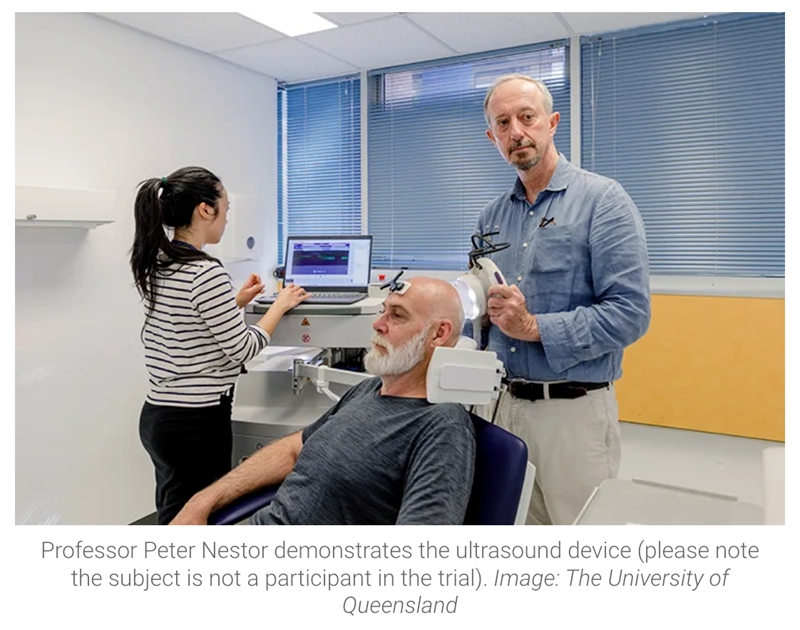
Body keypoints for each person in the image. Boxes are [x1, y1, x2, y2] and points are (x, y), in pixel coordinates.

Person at [477, 74, 651, 525]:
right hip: (502, 408)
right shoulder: (491, 217)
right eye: (503, 123)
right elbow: (483, 310)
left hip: (574, 415)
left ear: (551, 123)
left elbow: (629, 315)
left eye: (527, 117)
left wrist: (533, 327)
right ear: (492, 137)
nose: (516, 131)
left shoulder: (604, 201)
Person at [170, 277, 476, 525]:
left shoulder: (442, 426)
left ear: (438, 334)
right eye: (383, 310)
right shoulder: (368, 391)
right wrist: (202, 501)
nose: (378, 324)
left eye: (396, 315)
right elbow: (292, 450)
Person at [130, 166, 308, 524]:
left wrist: (235, 302)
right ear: (204, 210)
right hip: (195, 423)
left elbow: (187, 321)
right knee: (197, 516)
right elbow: (243, 348)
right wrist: (279, 305)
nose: (226, 219)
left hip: (160, 416)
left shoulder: (159, 261)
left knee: (173, 510)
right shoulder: (206, 271)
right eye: (225, 209)